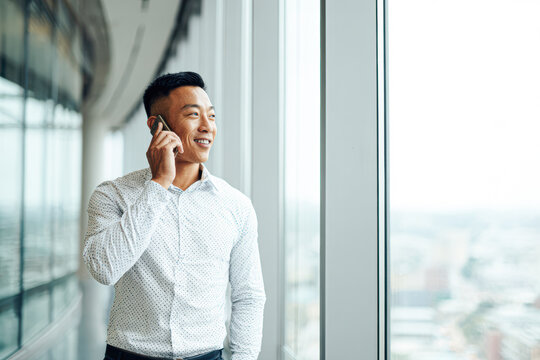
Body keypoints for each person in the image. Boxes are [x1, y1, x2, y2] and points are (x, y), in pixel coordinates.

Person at [83, 72, 266, 360]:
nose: (208, 127)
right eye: (193, 115)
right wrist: (158, 185)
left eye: (212, 116)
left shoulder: (236, 205)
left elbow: (248, 296)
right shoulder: (112, 195)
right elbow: (104, 269)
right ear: (157, 125)